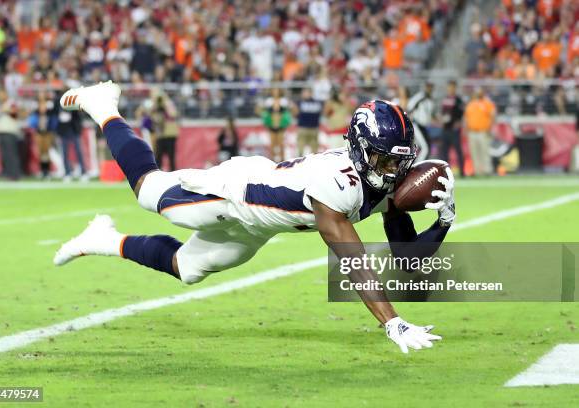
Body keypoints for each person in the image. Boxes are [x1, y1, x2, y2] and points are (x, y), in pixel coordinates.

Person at [55, 82, 456, 353]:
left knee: (189, 268)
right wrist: (393, 322)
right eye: (383, 158)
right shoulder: (339, 180)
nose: (391, 169)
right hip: (234, 194)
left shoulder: (383, 180)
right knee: (147, 190)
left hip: (258, 225)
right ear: (359, 148)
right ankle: (104, 105)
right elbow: (352, 261)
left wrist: (442, 222)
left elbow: (405, 260)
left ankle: (102, 239)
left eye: (397, 160)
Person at [464, 88, 496, 176]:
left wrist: (490, 128)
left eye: (480, 92)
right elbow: (466, 118)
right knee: (475, 153)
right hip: (472, 132)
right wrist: (466, 129)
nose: (478, 94)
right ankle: (478, 171)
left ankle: (487, 170)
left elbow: (493, 115)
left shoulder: (487, 103)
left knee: (484, 151)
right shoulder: (471, 104)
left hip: (483, 131)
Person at [439, 80, 465, 177]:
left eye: (452, 87)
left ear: (455, 88)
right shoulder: (445, 99)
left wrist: (459, 122)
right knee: (444, 152)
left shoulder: (458, 100)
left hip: (454, 130)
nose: (450, 89)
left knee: (458, 151)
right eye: (449, 87)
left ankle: (462, 172)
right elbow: (442, 113)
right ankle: (444, 173)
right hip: (445, 129)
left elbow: (461, 113)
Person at [150, 89, 180, 171]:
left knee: (171, 157)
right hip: (160, 135)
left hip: (170, 134)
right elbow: (152, 118)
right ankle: (158, 174)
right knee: (158, 157)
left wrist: (165, 105)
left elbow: (173, 114)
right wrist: (156, 106)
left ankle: (173, 175)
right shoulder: (155, 106)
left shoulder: (168, 104)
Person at [259, 88, 292, 162]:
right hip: (272, 125)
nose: (275, 92)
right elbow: (263, 111)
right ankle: (272, 160)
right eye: (274, 91)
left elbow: (287, 112)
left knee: (281, 144)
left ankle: (282, 160)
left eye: (277, 91)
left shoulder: (283, 102)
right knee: (272, 144)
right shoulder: (269, 101)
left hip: (280, 125)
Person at [407, 82, 435, 160]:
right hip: (417, 125)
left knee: (417, 147)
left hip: (424, 126)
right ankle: (419, 166)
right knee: (425, 148)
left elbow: (429, 114)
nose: (429, 89)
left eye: (431, 87)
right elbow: (410, 107)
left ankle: (412, 165)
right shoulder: (420, 97)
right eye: (428, 87)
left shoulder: (430, 100)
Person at [0, 101, 22, 180]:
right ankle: (7, 173)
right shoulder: (2, 105)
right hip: (1, 132)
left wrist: (3, 109)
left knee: (11, 155)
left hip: (10, 132)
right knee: (5, 155)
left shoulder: (11, 102)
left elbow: (14, 113)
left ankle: (15, 174)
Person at [57, 109, 88, 182]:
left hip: (74, 129)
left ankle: (83, 172)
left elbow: (79, 113)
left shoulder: (74, 100)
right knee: (64, 153)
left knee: (79, 152)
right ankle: (67, 173)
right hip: (63, 130)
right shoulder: (59, 101)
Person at [293, 88, 323, 156]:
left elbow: (295, 114)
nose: (304, 94)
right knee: (300, 150)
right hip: (303, 128)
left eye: (306, 93)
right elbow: (295, 114)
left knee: (314, 151)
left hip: (313, 129)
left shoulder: (300, 102)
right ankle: (299, 164)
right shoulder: (299, 102)